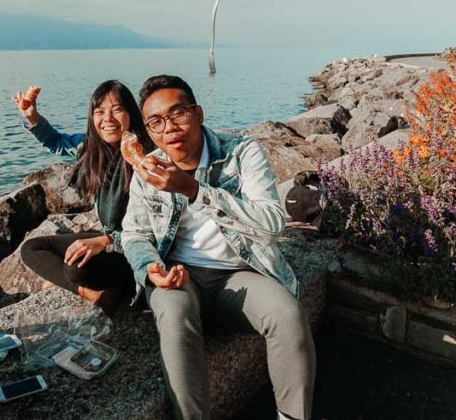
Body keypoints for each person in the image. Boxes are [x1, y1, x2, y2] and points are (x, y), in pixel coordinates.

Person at [120, 76, 316, 420]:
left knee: (286, 315)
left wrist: (195, 190)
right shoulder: (147, 170)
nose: (169, 128)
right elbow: (133, 234)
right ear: (148, 131)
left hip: (238, 274)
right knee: (174, 313)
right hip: (181, 276)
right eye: (156, 122)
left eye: (178, 113)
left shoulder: (241, 153)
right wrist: (152, 269)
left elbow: (272, 224)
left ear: (198, 113)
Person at [13, 80, 153, 310]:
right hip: (108, 239)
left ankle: (125, 288)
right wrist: (32, 116)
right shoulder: (91, 149)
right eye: (99, 112)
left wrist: (105, 242)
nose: (107, 119)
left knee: (77, 268)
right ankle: (92, 294)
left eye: (117, 109)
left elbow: (156, 230)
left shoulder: (145, 155)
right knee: (31, 248)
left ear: (131, 113)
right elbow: (58, 142)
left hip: (138, 248)